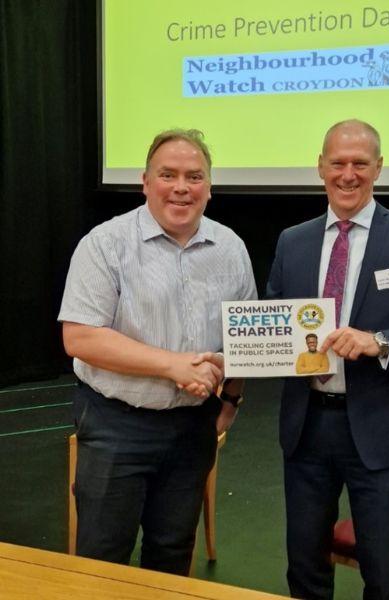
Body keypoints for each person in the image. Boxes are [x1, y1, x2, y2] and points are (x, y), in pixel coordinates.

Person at [265, 119, 389, 599]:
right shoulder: (293, 241)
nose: (348, 174)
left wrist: (382, 342)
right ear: (320, 167)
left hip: (381, 429)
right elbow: (274, 317)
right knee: (305, 566)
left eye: (360, 163)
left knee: (381, 570)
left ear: (379, 167)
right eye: (338, 163)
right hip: (307, 428)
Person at [59, 129, 256, 573]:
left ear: (210, 187)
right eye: (168, 174)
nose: (181, 187)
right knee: (102, 559)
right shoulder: (104, 244)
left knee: (171, 557)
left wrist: (231, 399)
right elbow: (81, 337)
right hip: (116, 425)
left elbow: (243, 339)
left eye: (194, 176)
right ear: (145, 182)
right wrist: (172, 365)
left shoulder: (231, 249)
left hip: (192, 428)